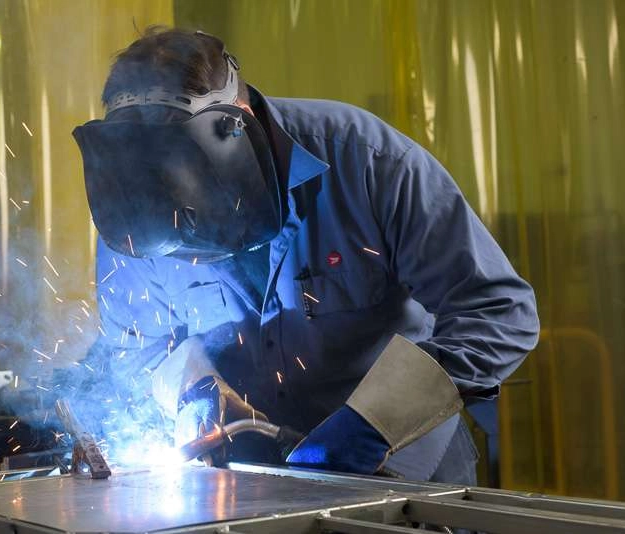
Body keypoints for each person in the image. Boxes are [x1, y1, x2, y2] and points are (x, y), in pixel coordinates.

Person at [73, 27, 539, 484]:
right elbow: (138, 347)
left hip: (406, 465)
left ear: (236, 121)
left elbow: (497, 312)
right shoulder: (130, 209)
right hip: (251, 474)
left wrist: (375, 422)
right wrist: (195, 390)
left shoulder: (367, 162)